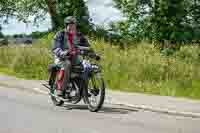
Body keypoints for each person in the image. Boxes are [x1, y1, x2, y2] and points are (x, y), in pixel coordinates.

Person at [49, 16, 94, 97]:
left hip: (75, 57)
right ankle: (61, 89)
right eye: (70, 24)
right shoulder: (60, 34)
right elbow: (55, 48)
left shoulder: (79, 35)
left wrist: (93, 53)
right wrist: (63, 53)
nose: (72, 26)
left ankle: (83, 89)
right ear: (66, 25)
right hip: (62, 58)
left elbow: (87, 46)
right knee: (67, 64)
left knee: (86, 66)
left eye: (74, 24)